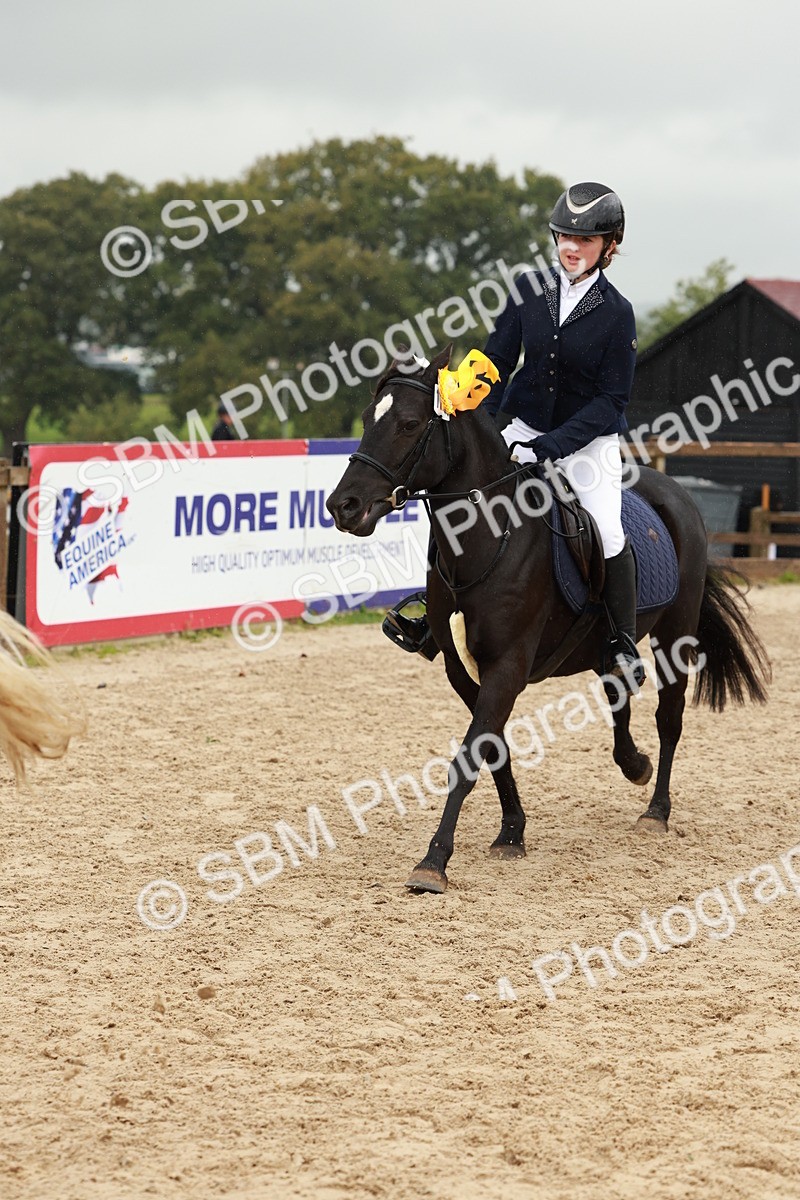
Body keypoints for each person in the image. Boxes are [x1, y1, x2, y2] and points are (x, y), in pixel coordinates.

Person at [384, 181, 644, 688]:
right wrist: (457, 389)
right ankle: (435, 618)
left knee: (607, 529)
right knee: (459, 500)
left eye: (584, 240)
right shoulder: (529, 287)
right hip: (521, 422)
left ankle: (622, 641)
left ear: (609, 245)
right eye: (563, 236)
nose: (570, 247)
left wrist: (550, 446)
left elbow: (612, 401)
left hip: (587, 440)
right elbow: (499, 359)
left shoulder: (618, 313)